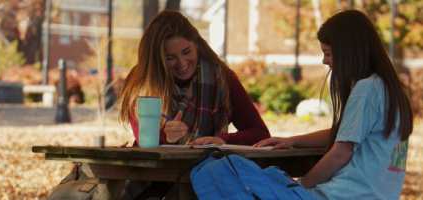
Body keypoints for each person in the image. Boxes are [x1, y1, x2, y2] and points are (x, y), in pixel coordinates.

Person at [254, 10, 414, 200]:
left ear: (347, 50)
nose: (324, 61)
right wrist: (294, 140)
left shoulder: (367, 89)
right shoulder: (392, 89)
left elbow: (340, 153)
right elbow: (346, 134)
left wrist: (299, 185)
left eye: (327, 53)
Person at [119, 10, 270, 146]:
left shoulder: (223, 78)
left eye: (187, 52)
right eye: (170, 58)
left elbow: (260, 133)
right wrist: (166, 136)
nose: (182, 63)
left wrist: (223, 140)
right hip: (153, 173)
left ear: (196, 44)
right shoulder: (141, 82)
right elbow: (143, 139)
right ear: (157, 59)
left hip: (209, 169)